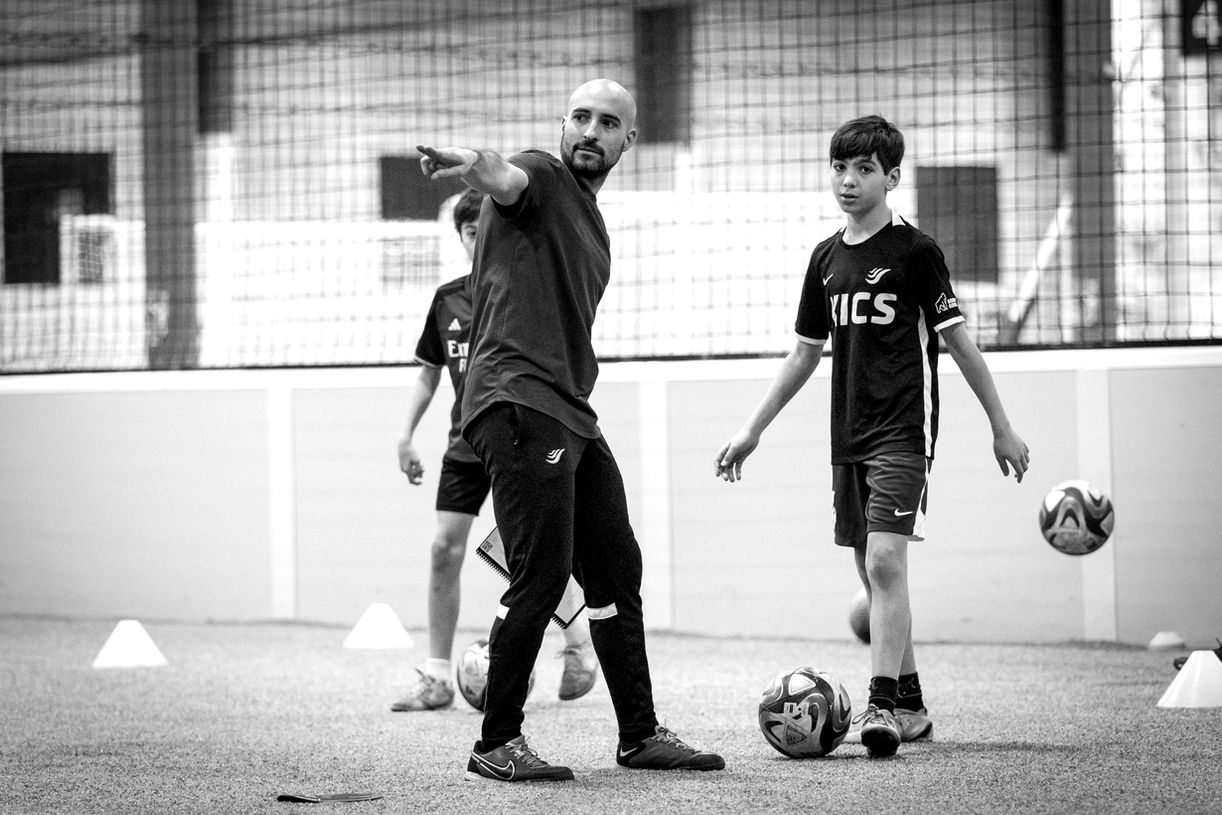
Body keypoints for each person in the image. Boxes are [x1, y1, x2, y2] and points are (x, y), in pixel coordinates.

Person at [416, 78, 725, 782]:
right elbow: (502, 172)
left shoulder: (595, 226)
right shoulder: (545, 177)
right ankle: (497, 741)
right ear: (561, 126)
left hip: (568, 410)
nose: (591, 130)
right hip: (518, 402)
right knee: (543, 571)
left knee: (616, 567)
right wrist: (469, 159)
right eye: (580, 117)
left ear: (628, 140)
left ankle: (639, 733)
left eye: (608, 122)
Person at [714, 114, 1030, 758]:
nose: (849, 181)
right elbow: (803, 355)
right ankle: (911, 705)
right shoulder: (824, 259)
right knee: (868, 563)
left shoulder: (917, 253)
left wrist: (1002, 425)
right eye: (840, 168)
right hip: (847, 437)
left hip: (904, 433)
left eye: (864, 170)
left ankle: (881, 704)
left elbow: (960, 345)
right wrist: (751, 431)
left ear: (892, 177)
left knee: (886, 561)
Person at [392, 188, 599, 713]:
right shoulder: (447, 301)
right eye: (470, 231)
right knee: (444, 548)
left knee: (533, 549)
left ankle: (577, 651)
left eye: (488, 229)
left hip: (517, 433)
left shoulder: (521, 293)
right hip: (466, 441)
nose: (479, 238)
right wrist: (405, 435)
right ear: (461, 236)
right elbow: (428, 375)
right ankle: (437, 677)